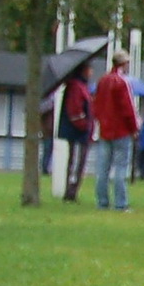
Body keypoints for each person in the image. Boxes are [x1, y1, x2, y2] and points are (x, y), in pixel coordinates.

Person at [91, 50, 141, 212]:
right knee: (120, 167)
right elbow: (128, 109)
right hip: (121, 130)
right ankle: (121, 203)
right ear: (124, 64)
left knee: (102, 168)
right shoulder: (122, 82)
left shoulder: (102, 81)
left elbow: (96, 105)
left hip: (105, 130)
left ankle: (102, 201)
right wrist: (134, 128)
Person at [58, 62, 93, 201]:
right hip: (78, 131)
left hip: (77, 129)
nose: (91, 73)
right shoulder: (77, 86)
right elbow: (75, 109)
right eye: (89, 69)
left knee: (75, 160)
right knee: (78, 160)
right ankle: (71, 191)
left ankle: (72, 190)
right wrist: (84, 124)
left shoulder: (80, 86)